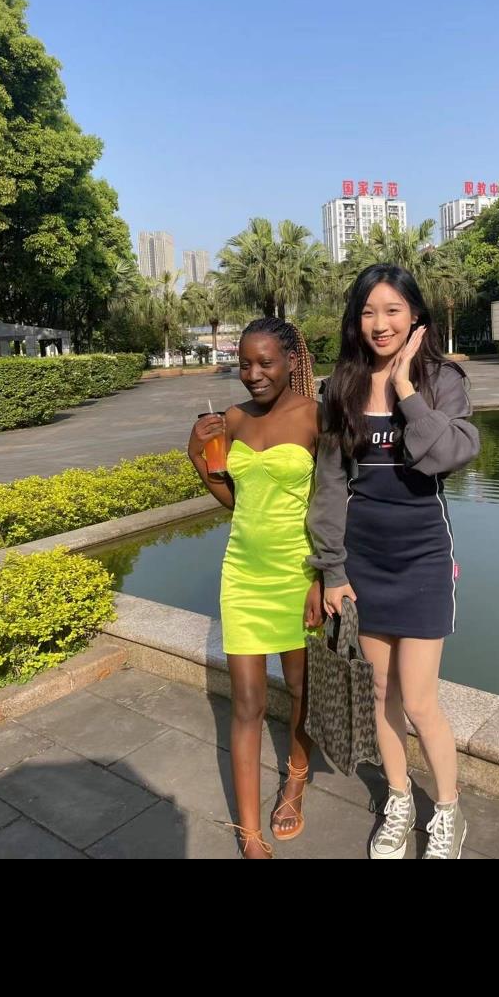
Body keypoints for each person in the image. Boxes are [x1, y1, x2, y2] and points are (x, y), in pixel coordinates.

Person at [306, 265, 480, 860]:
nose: (379, 324)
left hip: (424, 554)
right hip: (364, 559)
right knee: (382, 690)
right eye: (368, 312)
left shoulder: (442, 380)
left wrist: (405, 388)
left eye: (392, 311)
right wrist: (332, 569)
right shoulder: (341, 386)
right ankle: (400, 799)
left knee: (421, 699)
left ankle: (449, 810)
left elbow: (449, 454)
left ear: (415, 316)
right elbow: (330, 484)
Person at [187, 318, 323, 858]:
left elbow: (334, 505)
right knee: (246, 703)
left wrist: (324, 578)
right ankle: (249, 832)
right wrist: (197, 456)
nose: (253, 373)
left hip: (299, 575)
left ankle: (296, 776)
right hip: (242, 573)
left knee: (301, 690)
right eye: (245, 363)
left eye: (265, 362)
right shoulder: (234, 419)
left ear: (291, 361)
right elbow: (235, 501)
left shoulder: (317, 418)